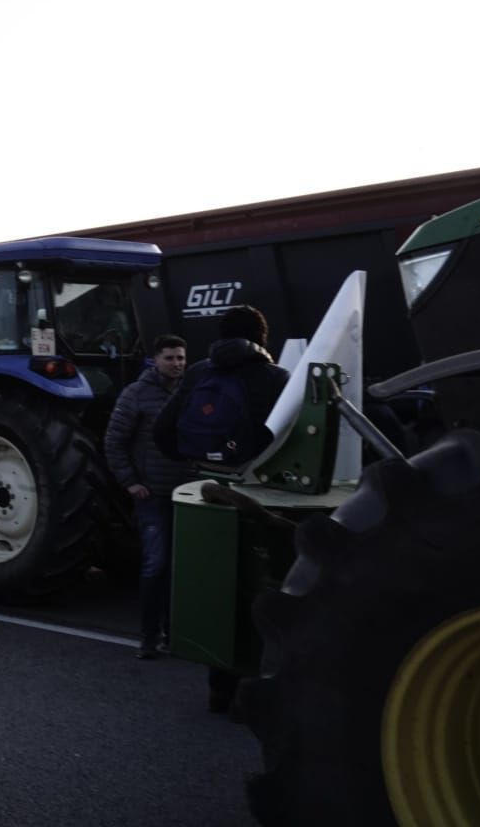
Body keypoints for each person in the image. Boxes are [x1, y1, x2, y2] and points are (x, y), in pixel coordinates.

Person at [153, 304, 289, 712]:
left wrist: (197, 461)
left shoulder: (197, 374)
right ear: (262, 338)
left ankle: (218, 688)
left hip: (204, 491)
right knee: (257, 592)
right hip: (254, 495)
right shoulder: (277, 379)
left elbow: (163, 432)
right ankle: (253, 692)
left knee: (213, 588)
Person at [104, 334, 189, 660]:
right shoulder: (136, 395)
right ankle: (149, 639)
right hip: (152, 494)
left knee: (179, 568)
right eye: (170, 358)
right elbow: (114, 442)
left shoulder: (189, 393)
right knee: (156, 565)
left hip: (185, 494)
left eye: (180, 358)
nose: (177, 364)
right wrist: (130, 483)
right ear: (155, 360)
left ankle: (174, 634)